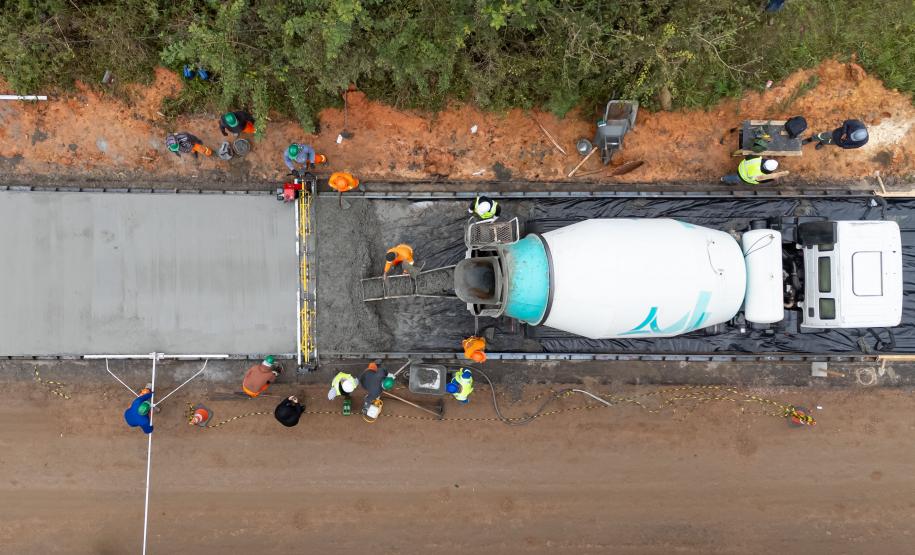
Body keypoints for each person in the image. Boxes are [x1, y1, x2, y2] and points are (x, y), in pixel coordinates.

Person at [804, 119, 869, 150]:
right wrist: (844, 132)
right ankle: (810, 139)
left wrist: (844, 145)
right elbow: (846, 122)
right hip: (836, 133)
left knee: (829, 142)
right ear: (856, 131)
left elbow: (855, 146)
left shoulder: (864, 141)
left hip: (839, 142)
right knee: (821, 136)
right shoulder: (858, 124)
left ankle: (822, 143)